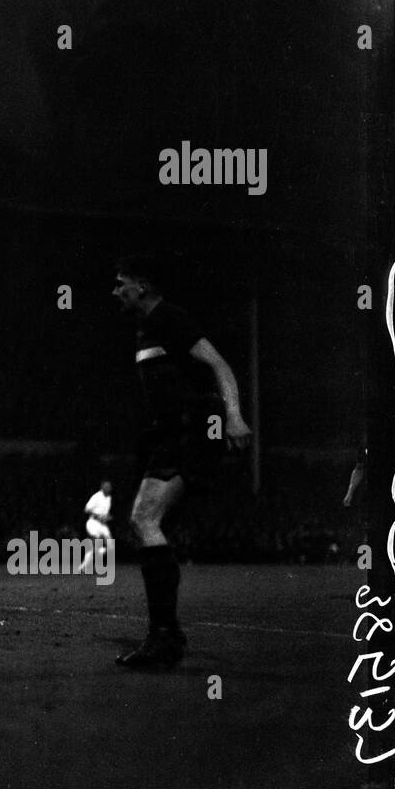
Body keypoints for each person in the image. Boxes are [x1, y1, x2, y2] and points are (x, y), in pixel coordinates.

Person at [112, 256, 251, 668]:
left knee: (143, 521)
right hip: (171, 436)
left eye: (121, 283)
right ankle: (167, 632)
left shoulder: (170, 318)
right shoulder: (145, 331)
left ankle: (165, 638)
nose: (115, 291)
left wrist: (234, 415)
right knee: (148, 528)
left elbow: (220, 365)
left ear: (143, 285)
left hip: (190, 433)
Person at [78, 479, 114, 574]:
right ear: (102, 487)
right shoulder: (96, 496)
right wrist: (98, 516)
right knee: (95, 543)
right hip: (93, 523)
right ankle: (83, 567)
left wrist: (107, 517)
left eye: (109, 487)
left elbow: (104, 513)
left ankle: (97, 554)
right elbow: (86, 509)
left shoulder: (109, 498)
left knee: (110, 545)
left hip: (103, 525)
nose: (108, 488)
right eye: (106, 486)